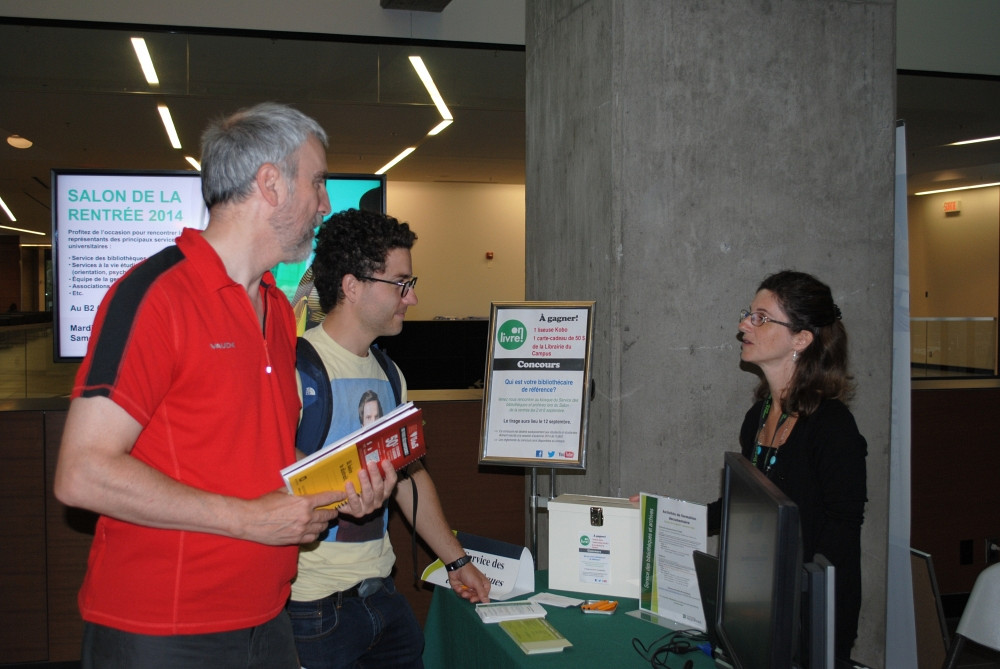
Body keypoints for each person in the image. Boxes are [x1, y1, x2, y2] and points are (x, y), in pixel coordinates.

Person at [53, 103, 389, 668]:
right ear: (270, 184)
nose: (326, 204)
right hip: (163, 630)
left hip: (266, 617)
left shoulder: (278, 312)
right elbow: (81, 473)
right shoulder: (156, 296)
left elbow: (263, 455)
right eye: (318, 182)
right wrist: (247, 518)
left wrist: (341, 485)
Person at [287, 208, 492, 669]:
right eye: (400, 283)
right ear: (352, 285)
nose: (412, 298)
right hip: (312, 608)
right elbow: (264, 469)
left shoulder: (390, 373)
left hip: (382, 595)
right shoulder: (294, 367)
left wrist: (458, 563)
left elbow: (409, 478)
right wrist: (338, 497)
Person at [725, 269, 868, 661]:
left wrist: (798, 600)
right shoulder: (758, 416)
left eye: (761, 318)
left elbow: (840, 536)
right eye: (748, 314)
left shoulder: (833, 427)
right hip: (761, 599)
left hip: (813, 611)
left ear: (801, 339)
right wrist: (661, 512)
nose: (744, 325)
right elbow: (740, 507)